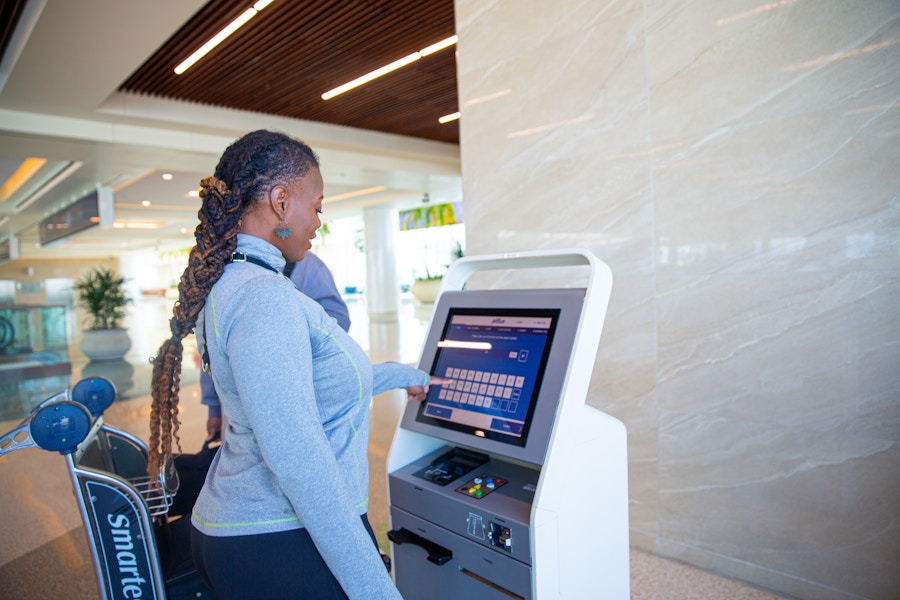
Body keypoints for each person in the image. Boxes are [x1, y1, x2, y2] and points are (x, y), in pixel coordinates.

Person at [147, 129, 448, 600]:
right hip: (274, 538)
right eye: (318, 206)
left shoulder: (241, 284)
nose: (318, 222)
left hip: (240, 529)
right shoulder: (264, 298)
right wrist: (375, 589)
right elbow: (299, 460)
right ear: (281, 201)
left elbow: (306, 387)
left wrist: (406, 376)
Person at [199, 250, 351, 442]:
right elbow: (211, 346)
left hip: (297, 398)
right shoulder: (226, 266)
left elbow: (339, 321)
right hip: (240, 416)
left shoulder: (309, 267)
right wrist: (214, 408)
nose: (316, 225)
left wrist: (292, 335)